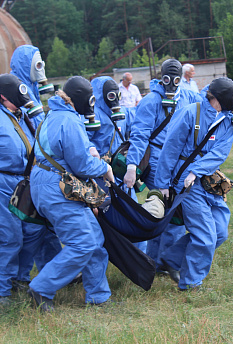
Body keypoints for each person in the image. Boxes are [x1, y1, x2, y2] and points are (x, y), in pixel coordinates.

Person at [154, 77, 233, 291]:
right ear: (218, 98)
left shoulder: (228, 117)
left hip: (206, 177)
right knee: (205, 235)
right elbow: (169, 149)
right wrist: (163, 184)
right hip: (185, 181)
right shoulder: (191, 113)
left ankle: (170, 259)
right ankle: (190, 283)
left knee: (219, 231)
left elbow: (220, 152)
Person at [28, 76, 115, 311]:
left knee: (94, 238)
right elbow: (81, 166)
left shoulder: (53, 115)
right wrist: (104, 168)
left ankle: (98, 295)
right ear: (84, 100)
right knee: (84, 243)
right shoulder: (69, 120)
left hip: (47, 185)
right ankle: (41, 287)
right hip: (57, 189)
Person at [123, 59, 201, 274]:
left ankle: (155, 261)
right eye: (168, 79)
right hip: (157, 158)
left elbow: (212, 103)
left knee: (165, 208)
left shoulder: (186, 95)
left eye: (176, 80)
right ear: (161, 77)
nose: (171, 84)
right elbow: (139, 136)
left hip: (177, 158)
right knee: (173, 208)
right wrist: (131, 166)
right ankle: (165, 261)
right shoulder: (150, 101)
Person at [10, 44, 62, 282]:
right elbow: (40, 126)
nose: (40, 68)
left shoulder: (30, 90)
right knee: (23, 231)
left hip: (35, 169)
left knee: (40, 227)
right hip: (21, 170)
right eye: (37, 63)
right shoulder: (15, 91)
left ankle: (50, 271)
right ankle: (16, 280)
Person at [0, 73, 46, 306]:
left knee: (34, 231)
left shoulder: (23, 115)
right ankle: (3, 291)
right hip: (3, 182)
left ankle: (20, 277)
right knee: (10, 237)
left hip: (26, 181)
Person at [89, 76, 147, 253]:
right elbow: (84, 143)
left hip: (121, 176)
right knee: (104, 225)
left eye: (116, 94)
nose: (114, 98)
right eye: (110, 94)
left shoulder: (122, 113)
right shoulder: (91, 116)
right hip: (101, 179)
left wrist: (131, 166)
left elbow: (138, 130)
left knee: (136, 218)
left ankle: (141, 262)